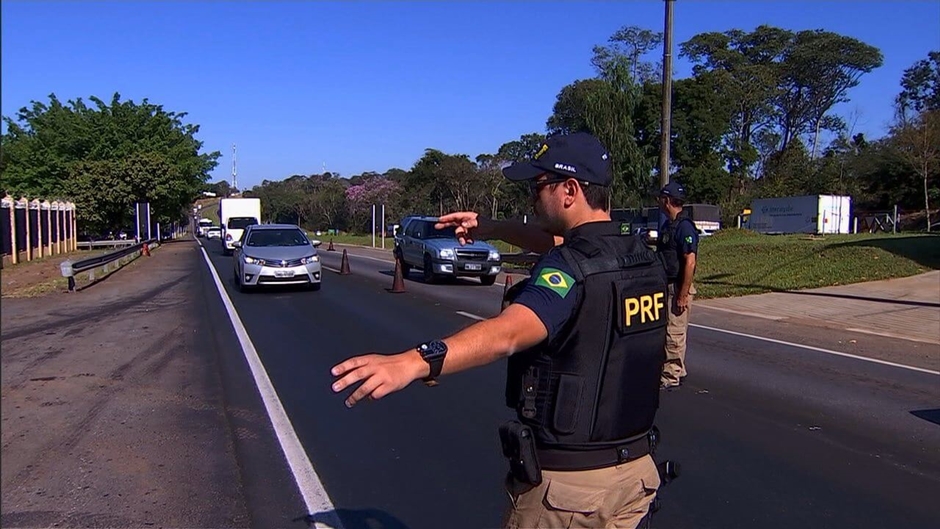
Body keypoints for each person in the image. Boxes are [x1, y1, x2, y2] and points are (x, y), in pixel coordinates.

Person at [330, 132, 669, 528]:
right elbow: (561, 243)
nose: (531, 198)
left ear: (570, 190)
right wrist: (490, 227)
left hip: (571, 497)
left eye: (537, 186)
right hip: (636, 479)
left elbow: (508, 333)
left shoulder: (567, 270)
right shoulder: (640, 259)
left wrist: (414, 362)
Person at [655, 181, 698, 389]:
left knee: (674, 332)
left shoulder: (684, 227)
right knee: (668, 330)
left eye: (661, 198)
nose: (659, 202)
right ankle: (678, 368)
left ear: (667, 200)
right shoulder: (668, 225)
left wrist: (683, 293)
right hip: (667, 284)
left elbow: (690, 261)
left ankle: (671, 376)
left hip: (678, 287)